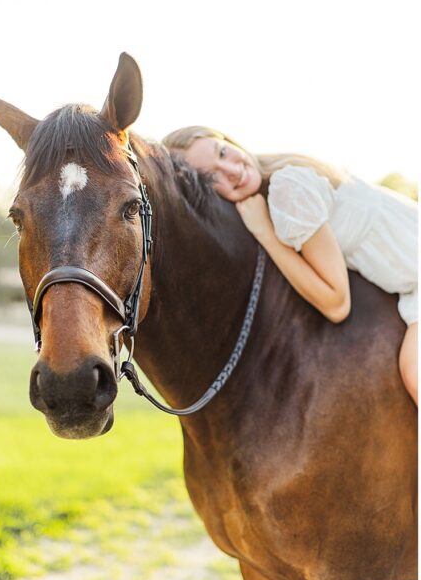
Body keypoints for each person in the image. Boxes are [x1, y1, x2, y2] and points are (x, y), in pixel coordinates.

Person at [163, 126, 418, 406]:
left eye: (223, 152)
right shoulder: (286, 174)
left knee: (414, 372)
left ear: (229, 141)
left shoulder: (288, 191)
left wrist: (264, 233)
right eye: (212, 177)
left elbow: (337, 303)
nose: (230, 170)